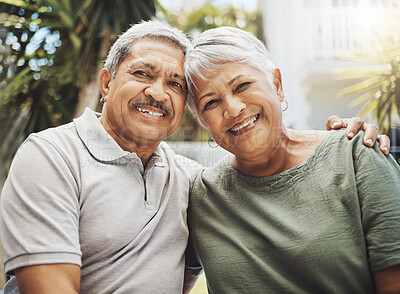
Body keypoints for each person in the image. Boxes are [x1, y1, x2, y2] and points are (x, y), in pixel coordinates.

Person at [0, 20, 390, 293]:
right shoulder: (52, 155)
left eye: (174, 83)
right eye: (142, 73)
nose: (158, 92)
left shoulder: (187, 180)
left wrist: (346, 139)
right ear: (106, 82)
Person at [183, 26, 400, 294]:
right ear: (202, 121)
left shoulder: (357, 156)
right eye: (210, 103)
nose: (233, 109)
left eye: (242, 86)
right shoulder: (200, 197)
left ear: (276, 84)